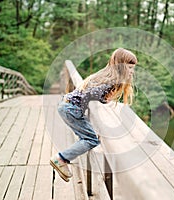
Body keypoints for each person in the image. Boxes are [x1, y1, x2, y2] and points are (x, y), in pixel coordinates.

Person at [50, 48, 137, 182]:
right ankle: (61, 158)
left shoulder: (105, 75)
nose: (132, 71)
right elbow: (92, 92)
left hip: (66, 105)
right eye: (130, 67)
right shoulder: (112, 81)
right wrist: (102, 100)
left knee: (86, 136)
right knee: (91, 140)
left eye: (133, 68)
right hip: (72, 109)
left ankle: (65, 158)